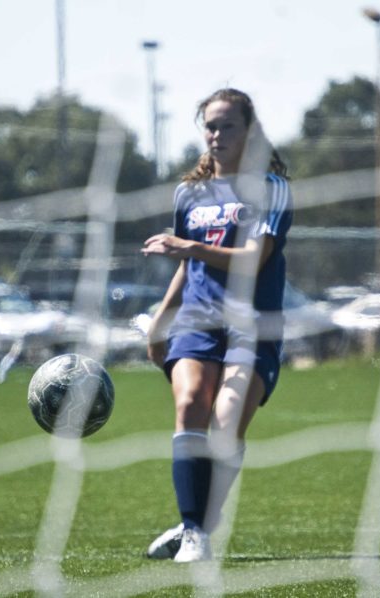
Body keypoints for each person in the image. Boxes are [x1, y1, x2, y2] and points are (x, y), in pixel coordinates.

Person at [140, 88, 292, 562]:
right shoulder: (189, 194)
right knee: (190, 404)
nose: (216, 134)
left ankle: (197, 524)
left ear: (249, 131)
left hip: (251, 326)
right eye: (209, 125)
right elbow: (188, 269)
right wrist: (159, 323)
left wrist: (189, 248)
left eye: (227, 125)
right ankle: (194, 533)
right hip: (197, 322)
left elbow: (253, 258)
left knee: (226, 427)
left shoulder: (272, 188)